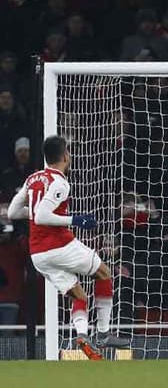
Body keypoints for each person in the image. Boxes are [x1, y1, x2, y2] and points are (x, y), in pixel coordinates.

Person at [6, 135, 128, 360]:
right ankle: (103, 332)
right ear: (64, 156)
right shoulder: (60, 182)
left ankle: (82, 335)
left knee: (78, 293)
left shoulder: (33, 178)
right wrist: (75, 220)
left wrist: (33, 214)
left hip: (39, 255)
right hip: (59, 246)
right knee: (104, 272)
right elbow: (42, 215)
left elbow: (13, 212)